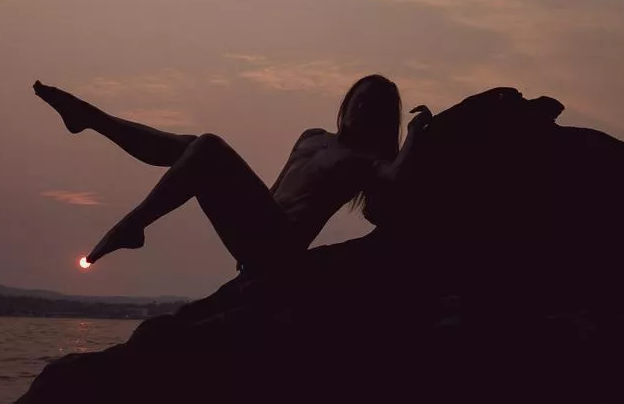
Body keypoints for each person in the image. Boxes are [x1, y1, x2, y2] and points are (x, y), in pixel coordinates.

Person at [32, 75, 431, 274]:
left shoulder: (365, 160)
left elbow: (394, 184)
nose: (358, 111)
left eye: (369, 108)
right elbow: (274, 191)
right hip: (258, 232)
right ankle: (92, 119)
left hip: (281, 248)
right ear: (345, 103)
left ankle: (132, 225)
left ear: (380, 121)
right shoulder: (312, 137)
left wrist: (414, 134)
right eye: (356, 101)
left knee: (207, 147)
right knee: (191, 147)